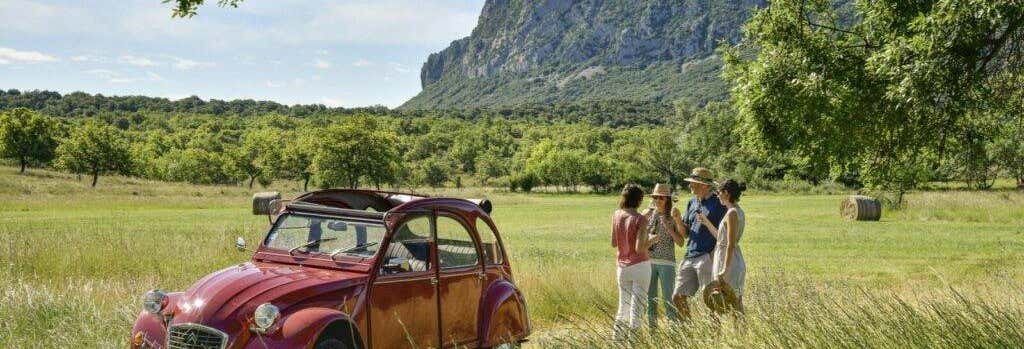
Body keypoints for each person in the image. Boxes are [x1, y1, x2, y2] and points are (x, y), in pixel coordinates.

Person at [672, 167, 727, 319]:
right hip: (690, 255)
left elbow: (724, 232)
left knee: (711, 300)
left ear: (704, 185)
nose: (690, 186)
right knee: (678, 296)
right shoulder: (692, 202)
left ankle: (714, 336)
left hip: (707, 256)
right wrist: (677, 220)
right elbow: (686, 233)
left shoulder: (718, 203)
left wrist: (715, 254)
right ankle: (689, 334)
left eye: (693, 183)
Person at [611, 184, 659, 339]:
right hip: (640, 266)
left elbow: (614, 242)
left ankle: (617, 340)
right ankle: (634, 342)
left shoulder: (617, 215)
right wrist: (653, 239)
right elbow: (640, 248)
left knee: (623, 307)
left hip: (622, 267)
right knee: (636, 309)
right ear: (639, 200)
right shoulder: (640, 219)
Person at [698, 179, 747, 312]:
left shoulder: (732, 213)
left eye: (719, 192)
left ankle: (737, 332)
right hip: (729, 257)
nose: (718, 195)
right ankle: (735, 332)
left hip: (728, 260)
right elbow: (721, 238)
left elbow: (730, 243)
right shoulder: (735, 211)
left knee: (729, 301)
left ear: (726, 193)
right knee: (728, 300)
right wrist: (706, 222)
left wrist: (725, 269)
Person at [643, 183, 686, 327]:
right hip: (648, 262)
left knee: (668, 299)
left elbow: (681, 242)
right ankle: (652, 332)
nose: (658, 200)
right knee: (651, 300)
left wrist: (670, 229)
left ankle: (673, 332)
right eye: (655, 197)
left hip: (667, 262)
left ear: (668, 199)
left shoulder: (673, 215)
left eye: (661, 197)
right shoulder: (648, 214)